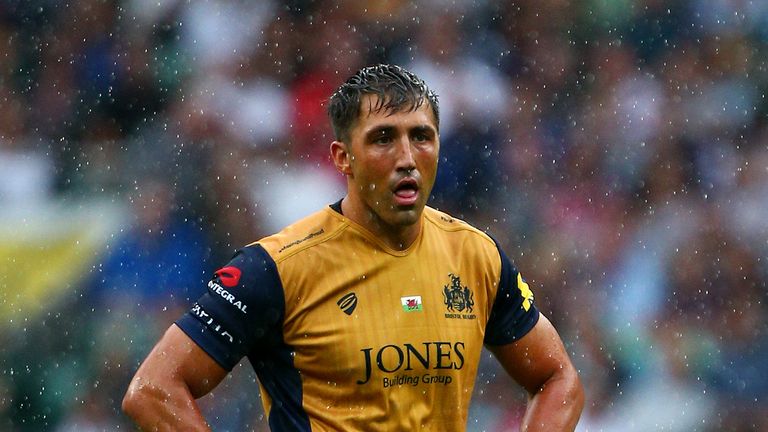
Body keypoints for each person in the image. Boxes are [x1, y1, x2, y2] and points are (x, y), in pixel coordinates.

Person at [122, 64, 584, 431]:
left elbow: (558, 378)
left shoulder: (476, 256)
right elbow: (153, 389)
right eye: (383, 138)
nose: (407, 158)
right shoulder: (275, 268)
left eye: (421, 136)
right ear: (343, 157)